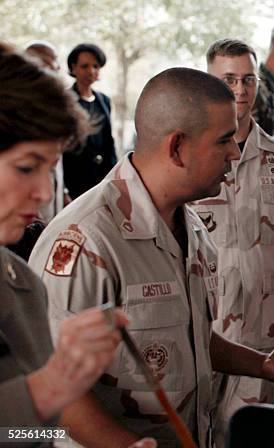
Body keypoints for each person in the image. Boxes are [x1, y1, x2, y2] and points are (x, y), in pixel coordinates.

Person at [29, 67, 274, 447]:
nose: (234, 153)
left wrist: (262, 364)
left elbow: (189, 335)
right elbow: (53, 390)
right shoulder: (86, 241)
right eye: (224, 141)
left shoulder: (192, 225)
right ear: (177, 147)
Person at [0, 43, 134, 445]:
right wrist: (51, 386)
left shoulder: (22, 284)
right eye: (27, 167)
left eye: (49, 168)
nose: (44, 192)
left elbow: (23, 434)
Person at [195, 38, 274, 445]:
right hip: (203, 326)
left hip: (264, 328)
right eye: (228, 80)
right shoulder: (189, 156)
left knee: (250, 434)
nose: (240, 90)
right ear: (207, 83)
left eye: (248, 79)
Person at [63, 43, 117, 199]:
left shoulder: (104, 100)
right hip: (75, 178)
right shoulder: (65, 100)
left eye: (95, 66)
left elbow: (108, 140)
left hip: (101, 178)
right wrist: (63, 190)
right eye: (85, 66)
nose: (91, 71)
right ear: (73, 68)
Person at [25, 41, 70, 224]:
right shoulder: (14, 107)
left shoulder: (53, 104)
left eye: (57, 68)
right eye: (52, 68)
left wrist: (64, 191)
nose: (57, 74)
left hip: (53, 193)